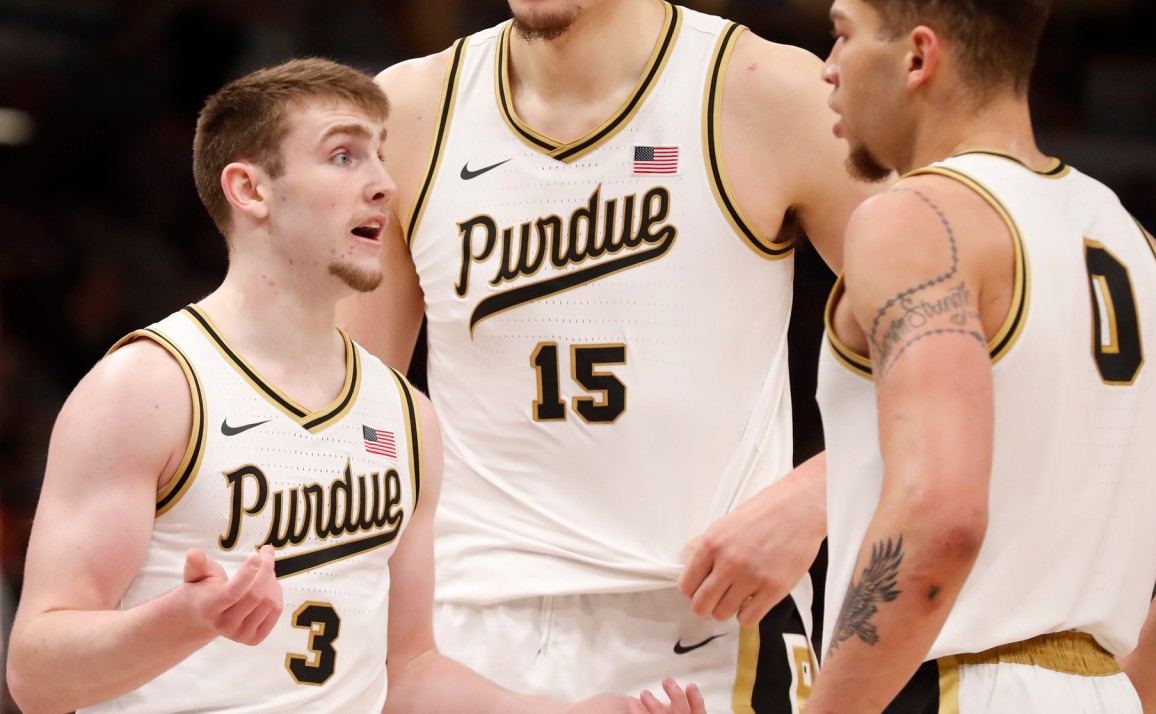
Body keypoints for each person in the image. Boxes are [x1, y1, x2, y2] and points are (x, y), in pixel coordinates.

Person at [338, 0, 876, 712]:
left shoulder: (765, 94)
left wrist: (829, 490)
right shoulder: (410, 110)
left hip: (701, 629)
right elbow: (347, 412)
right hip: (464, 633)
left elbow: (977, 347)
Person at [5, 57, 705, 714]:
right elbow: (35, 675)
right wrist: (182, 622)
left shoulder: (405, 415)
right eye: (344, 155)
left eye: (379, 154)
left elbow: (408, 671)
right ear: (250, 189)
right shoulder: (150, 387)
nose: (384, 184)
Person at [810, 0, 1156, 713]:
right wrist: (1128, 696)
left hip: (950, 684)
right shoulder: (1138, 248)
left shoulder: (915, 220)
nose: (828, 65)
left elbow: (940, 517)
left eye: (845, 32)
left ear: (918, 57)